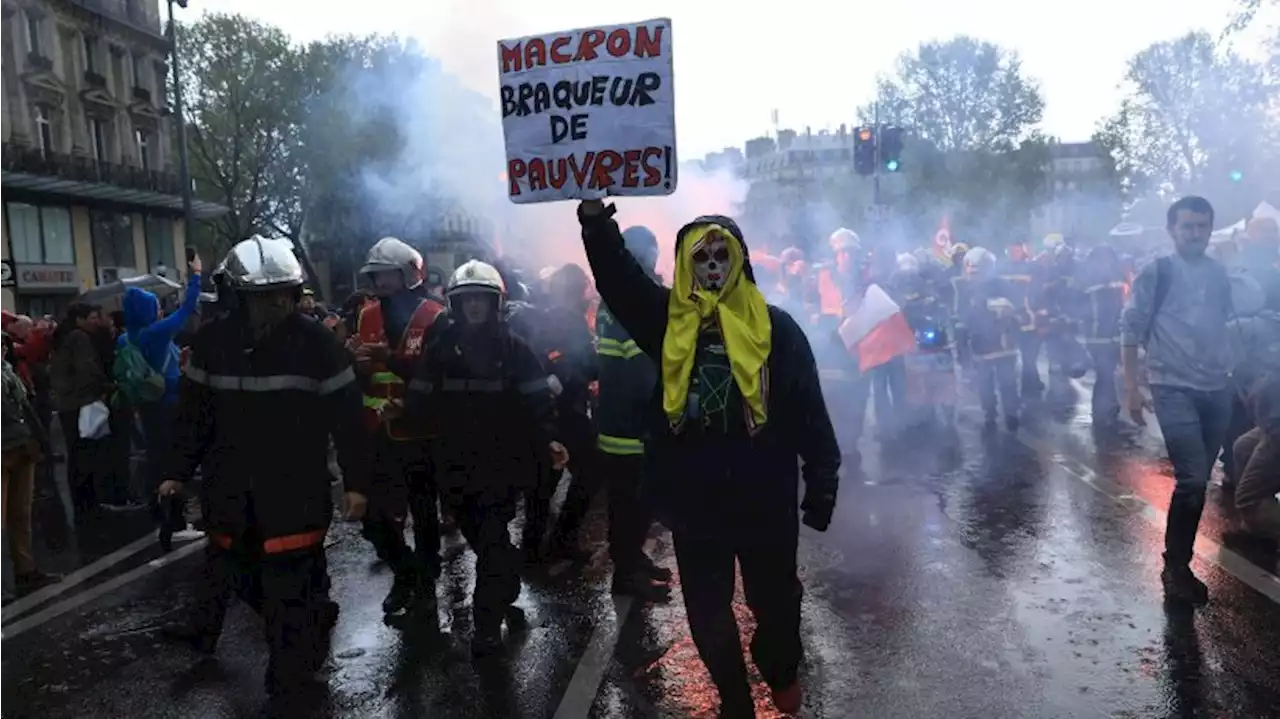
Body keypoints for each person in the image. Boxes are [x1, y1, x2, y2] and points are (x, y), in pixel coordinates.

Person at [577, 201, 841, 717]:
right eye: (701, 257)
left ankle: (780, 666)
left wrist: (823, 478)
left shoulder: (776, 328)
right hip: (695, 496)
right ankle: (735, 701)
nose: (713, 265)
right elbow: (620, 280)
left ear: (740, 261)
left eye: (723, 255)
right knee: (706, 607)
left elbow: (808, 405)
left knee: (778, 605)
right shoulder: (667, 322)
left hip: (764, 495)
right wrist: (594, 221)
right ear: (685, 266)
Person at [159, 236, 369, 704]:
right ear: (237, 296)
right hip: (230, 495)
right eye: (261, 296)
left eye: (280, 294)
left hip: (295, 495)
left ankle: (290, 681)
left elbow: (349, 420)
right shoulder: (213, 343)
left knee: (288, 593)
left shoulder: (317, 344)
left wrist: (358, 483)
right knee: (251, 583)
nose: (273, 304)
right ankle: (307, 626)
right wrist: (175, 470)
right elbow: (192, 415)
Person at [406, 260, 567, 657]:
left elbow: (536, 404)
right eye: (468, 299)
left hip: (501, 466)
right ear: (457, 305)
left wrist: (548, 441)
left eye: (481, 299)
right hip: (454, 467)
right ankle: (507, 578)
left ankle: (485, 626)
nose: (474, 306)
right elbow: (420, 401)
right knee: (484, 541)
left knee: (492, 542)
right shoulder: (441, 349)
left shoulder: (515, 349)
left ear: (494, 302)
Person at [1122, 196, 1235, 605]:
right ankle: (1176, 567)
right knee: (1190, 479)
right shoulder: (1157, 272)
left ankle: (1178, 562)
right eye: (1187, 226)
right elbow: (1130, 329)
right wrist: (1132, 387)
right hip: (1173, 388)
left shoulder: (1220, 273)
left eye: (1202, 226)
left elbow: (1231, 321)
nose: (1195, 233)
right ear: (1172, 230)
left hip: (1216, 388)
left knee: (1198, 481)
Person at [350, 237, 446, 618]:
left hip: (420, 434)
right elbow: (360, 376)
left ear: (408, 272)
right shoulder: (365, 315)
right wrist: (355, 365)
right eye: (374, 274)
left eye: (386, 273)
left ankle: (425, 585)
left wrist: (390, 358)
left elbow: (438, 375)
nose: (379, 280)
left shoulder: (436, 316)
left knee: (424, 516)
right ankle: (404, 571)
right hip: (376, 433)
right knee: (372, 517)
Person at [595, 225, 673, 602]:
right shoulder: (622, 301)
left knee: (638, 501)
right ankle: (626, 574)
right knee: (628, 502)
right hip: (628, 421)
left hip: (630, 417)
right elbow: (641, 361)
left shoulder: (626, 296)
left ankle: (635, 559)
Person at [119, 254, 202, 517]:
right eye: (155, 307)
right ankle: (169, 503)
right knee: (170, 450)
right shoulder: (155, 333)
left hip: (144, 399)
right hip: (167, 399)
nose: (159, 311)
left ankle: (154, 498)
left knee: (154, 448)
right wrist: (197, 275)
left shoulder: (125, 338)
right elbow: (187, 309)